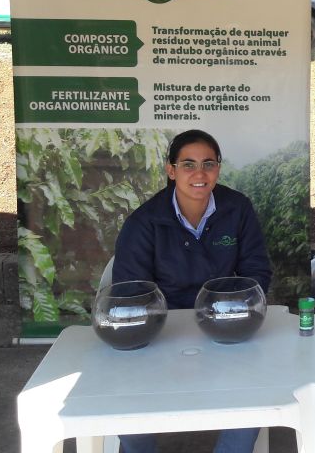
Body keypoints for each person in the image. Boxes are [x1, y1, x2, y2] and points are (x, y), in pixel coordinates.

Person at [113, 129, 272, 453]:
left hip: (225, 321)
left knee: (254, 393)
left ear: (218, 169)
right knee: (124, 400)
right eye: (188, 164)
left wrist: (230, 311)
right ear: (171, 170)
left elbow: (257, 272)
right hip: (163, 329)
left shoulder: (237, 208)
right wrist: (164, 327)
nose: (200, 174)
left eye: (208, 164)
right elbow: (130, 294)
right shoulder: (144, 222)